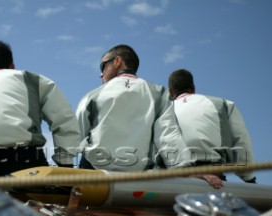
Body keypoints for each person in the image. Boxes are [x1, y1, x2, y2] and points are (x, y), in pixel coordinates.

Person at [0, 40, 80, 176]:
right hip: (23, 159)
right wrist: (65, 163)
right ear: (12, 66)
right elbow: (64, 121)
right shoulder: (35, 81)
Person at [76, 44, 194, 173]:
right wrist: (185, 170)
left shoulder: (92, 96)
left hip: (93, 171)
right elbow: (168, 135)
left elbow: (76, 134)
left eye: (102, 66)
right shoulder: (159, 94)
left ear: (118, 61)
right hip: (137, 176)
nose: (101, 74)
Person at [168, 68, 256, 183]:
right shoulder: (224, 105)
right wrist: (248, 178)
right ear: (194, 88)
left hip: (172, 179)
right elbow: (241, 142)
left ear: (170, 92)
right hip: (213, 179)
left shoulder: (162, 112)